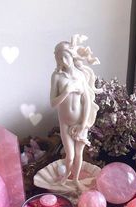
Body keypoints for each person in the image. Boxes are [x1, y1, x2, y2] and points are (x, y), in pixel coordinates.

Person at [50, 34, 100, 190]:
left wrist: (83, 124)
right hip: (65, 122)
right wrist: (67, 91)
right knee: (69, 156)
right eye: (59, 58)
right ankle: (65, 177)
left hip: (80, 122)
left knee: (79, 153)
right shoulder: (57, 76)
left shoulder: (80, 75)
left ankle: (76, 179)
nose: (62, 61)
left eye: (64, 56)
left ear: (71, 55)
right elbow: (53, 103)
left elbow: (86, 102)